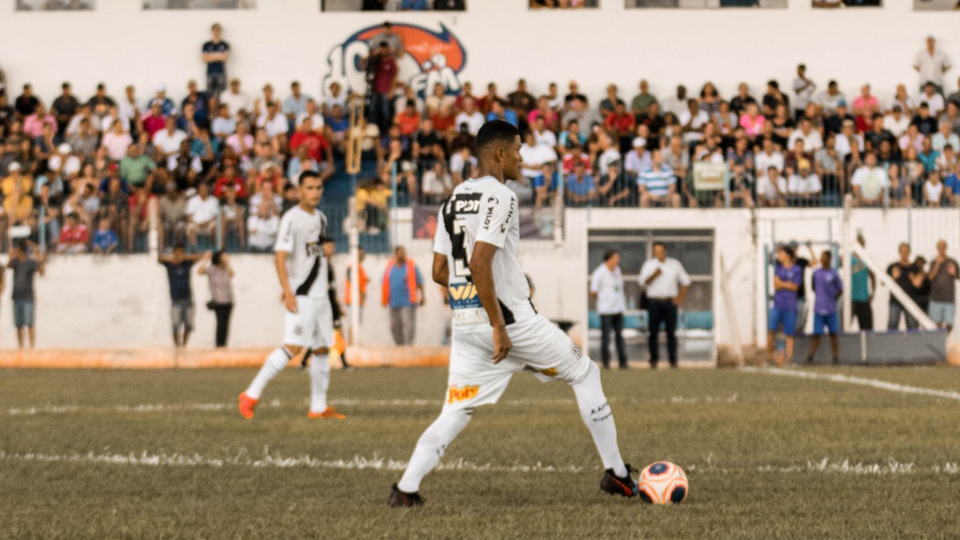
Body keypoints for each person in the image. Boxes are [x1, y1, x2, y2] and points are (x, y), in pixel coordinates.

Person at [389, 120, 637, 508]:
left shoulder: (452, 199)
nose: (523, 159)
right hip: (510, 323)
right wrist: (499, 326)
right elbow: (480, 261)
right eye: (519, 150)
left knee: (456, 409)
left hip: (468, 325)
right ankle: (617, 474)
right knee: (586, 372)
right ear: (499, 154)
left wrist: (473, 308)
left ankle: (405, 489)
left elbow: (441, 271)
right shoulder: (501, 196)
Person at [239, 171, 345, 420]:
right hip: (302, 294)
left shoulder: (320, 217)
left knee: (321, 349)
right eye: (310, 188)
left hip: (321, 295)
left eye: (319, 187)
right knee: (293, 347)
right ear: (299, 191)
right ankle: (250, 395)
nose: (315, 192)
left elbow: (311, 251)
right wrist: (287, 291)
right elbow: (280, 255)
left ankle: (318, 408)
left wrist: (326, 250)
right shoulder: (291, 218)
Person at [638, 242, 690, 369]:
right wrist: (654, 275)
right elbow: (642, 282)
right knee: (653, 332)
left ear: (665, 251)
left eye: (660, 251)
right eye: (656, 251)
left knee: (671, 332)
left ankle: (673, 360)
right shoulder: (649, 265)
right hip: (654, 302)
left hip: (669, 302)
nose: (658, 254)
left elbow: (686, 281)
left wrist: (680, 297)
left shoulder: (674, 264)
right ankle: (653, 360)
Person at [158, 246, 205, 349]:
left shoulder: (187, 264)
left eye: (181, 253)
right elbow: (159, 258)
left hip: (188, 299)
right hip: (175, 300)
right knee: (175, 326)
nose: (179, 255)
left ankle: (184, 346)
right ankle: (177, 346)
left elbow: (200, 257)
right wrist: (173, 258)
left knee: (188, 326)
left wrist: (185, 257)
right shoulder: (169, 265)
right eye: (177, 253)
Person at [590, 249, 628, 369]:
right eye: (616, 258)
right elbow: (593, 291)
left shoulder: (617, 270)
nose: (618, 261)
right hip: (606, 310)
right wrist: (602, 300)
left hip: (618, 308)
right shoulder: (599, 273)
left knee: (619, 337)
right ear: (609, 259)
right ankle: (606, 363)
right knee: (606, 338)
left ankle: (623, 363)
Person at [382, 246, 425, 346]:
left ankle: (408, 345)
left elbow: (420, 281)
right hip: (393, 302)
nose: (402, 255)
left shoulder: (411, 266)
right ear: (395, 254)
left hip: (408, 301)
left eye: (404, 252)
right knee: (395, 326)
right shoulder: (389, 267)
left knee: (408, 325)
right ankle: (399, 345)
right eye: (400, 253)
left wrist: (423, 296)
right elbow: (384, 282)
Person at [768, 245, 802, 366]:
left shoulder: (797, 269)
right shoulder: (778, 268)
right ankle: (771, 357)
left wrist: (783, 284)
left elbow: (795, 287)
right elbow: (776, 285)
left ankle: (788, 360)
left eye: (780, 253)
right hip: (778, 304)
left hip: (790, 306)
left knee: (789, 334)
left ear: (787, 255)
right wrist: (787, 284)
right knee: (772, 331)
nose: (778, 256)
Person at [808, 251, 842, 364]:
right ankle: (810, 357)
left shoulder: (834, 273)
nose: (821, 259)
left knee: (833, 333)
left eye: (823, 257)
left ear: (829, 258)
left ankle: (835, 358)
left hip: (831, 308)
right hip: (819, 308)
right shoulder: (816, 273)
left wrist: (832, 298)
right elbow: (813, 286)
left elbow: (840, 289)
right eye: (821, 257)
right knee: (817, 334)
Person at [8, 242, 44, 349]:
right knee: (19, 325)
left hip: (28, 297)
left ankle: (31, 347)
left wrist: (40, 261)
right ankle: (21, 347)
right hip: (17, 296)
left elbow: (41, 272)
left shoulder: (31, 262)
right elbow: (8, 265)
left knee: (29, 324)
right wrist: (11, 255)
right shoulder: (15, 262)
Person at [199, 251, 235, 348]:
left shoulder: (226, 269)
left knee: (226, 325)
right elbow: (200, 271)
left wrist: (228, 263)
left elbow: (232, 274)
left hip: (228, 301)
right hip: (218, 301)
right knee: (220, 324)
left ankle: (224, 345)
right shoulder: (212, 269)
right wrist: (205, 260)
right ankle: (219, 345)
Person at [928, 240, 958, 330]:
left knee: (949, 325)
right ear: (937, 248)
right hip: (936, 298)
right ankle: (939, 343)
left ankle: (944, 340)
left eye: (943, 247)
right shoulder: (933, 262)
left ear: (946, 248)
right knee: (936, 325)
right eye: (940, 247)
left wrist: (954, 273)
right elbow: (930, 277)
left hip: (949, 299)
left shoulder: (953, 262)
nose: (942, 249)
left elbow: (958, 276)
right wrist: (937, 264)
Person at [888, 243, 919, 330]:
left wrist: (916, 281)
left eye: (906, 251)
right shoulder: (892, 266)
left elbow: (920, 287)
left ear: (909, 252)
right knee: (892, 325)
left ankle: (912, 344)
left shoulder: (915, 268)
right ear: (899, 252)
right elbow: (883, 282)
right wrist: (893, 278)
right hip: (895, 301)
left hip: (910, 300)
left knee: (912, 326)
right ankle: (891, 343)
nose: (904, 253)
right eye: (902, 251)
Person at [849, 233, 876, 331]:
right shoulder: (847, 258)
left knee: (867, 328)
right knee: (844, 327)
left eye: (862, 243)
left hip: (864, 298)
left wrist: (873, 292)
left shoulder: (867, 259)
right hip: (850, 299)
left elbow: (873, 276)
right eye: (859, 243)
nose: (861, 244)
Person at [202, 23, 230, 97]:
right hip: (210, 72)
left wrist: (211, 56)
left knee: (221, 95)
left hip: (220, 72)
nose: (216, 32)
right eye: (215, 30)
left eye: (218, 30)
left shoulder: (224, 45)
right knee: (210, 95)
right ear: (212, 31)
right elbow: (204, 59)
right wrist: (219, 56)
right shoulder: (206, 45)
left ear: (220, 31)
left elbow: (225, 58)